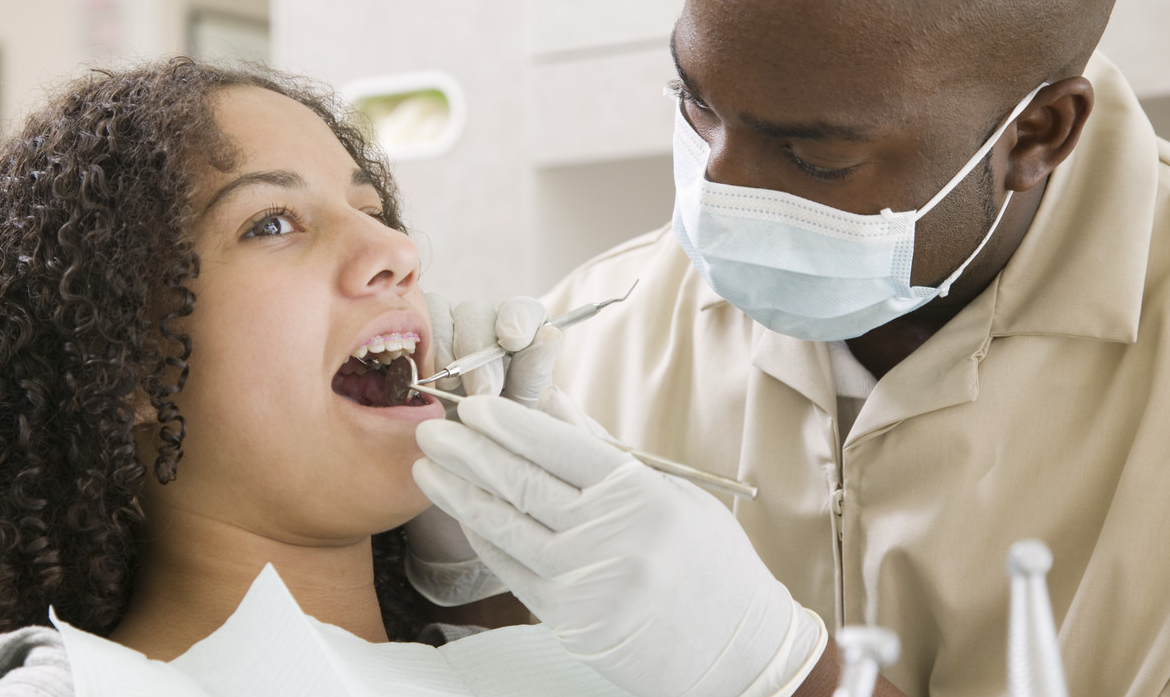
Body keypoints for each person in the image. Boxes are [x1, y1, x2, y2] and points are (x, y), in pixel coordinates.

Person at [410, 0, 1170, 694]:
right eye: (695, 105)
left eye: (815, 159)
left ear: (1038, 133)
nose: (716, 190)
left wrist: (777, 670)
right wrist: (481, 581)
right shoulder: (594, 333)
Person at [0, 57, 602, 696]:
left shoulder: (552, 660)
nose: (395, 249)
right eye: (271, 223)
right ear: (125, 365)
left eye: (372, 210)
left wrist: (496, 584)